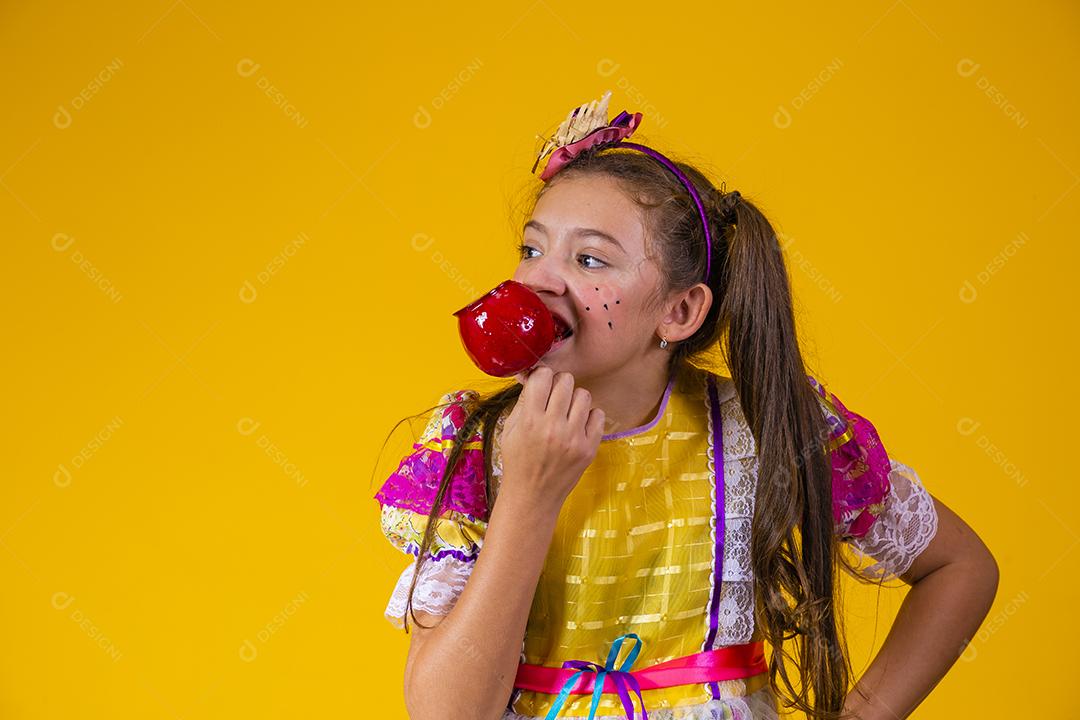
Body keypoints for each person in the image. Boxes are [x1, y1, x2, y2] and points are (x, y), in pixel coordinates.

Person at [372, 92, 999, 720]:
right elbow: (445, 713)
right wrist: (530, 495)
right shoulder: (472, 446)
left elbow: (959, 569)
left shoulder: (762, 428)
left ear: (679, 312)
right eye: (533, 250)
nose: (538, 280)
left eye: (588, 259)